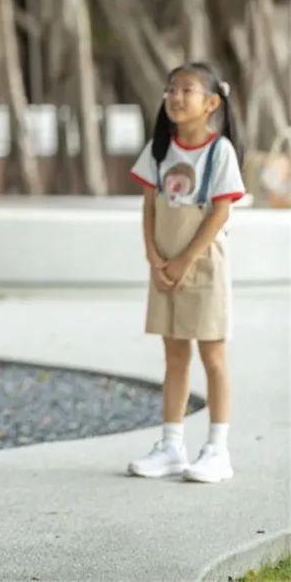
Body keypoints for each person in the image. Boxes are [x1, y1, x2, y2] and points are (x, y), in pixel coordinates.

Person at [127, 62, 245, 484]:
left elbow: (219, 213)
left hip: (203, 264)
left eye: (187, 90)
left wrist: (183, 260)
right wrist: (153, 257)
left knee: (212, 356)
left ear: (211, 103)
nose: (175, 97)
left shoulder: (220, 152)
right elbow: (148, 205)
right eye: (171, 89)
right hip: (164, 263)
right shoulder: (160, 149)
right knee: (174, 356)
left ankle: (216, 449)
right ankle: (171, 445)